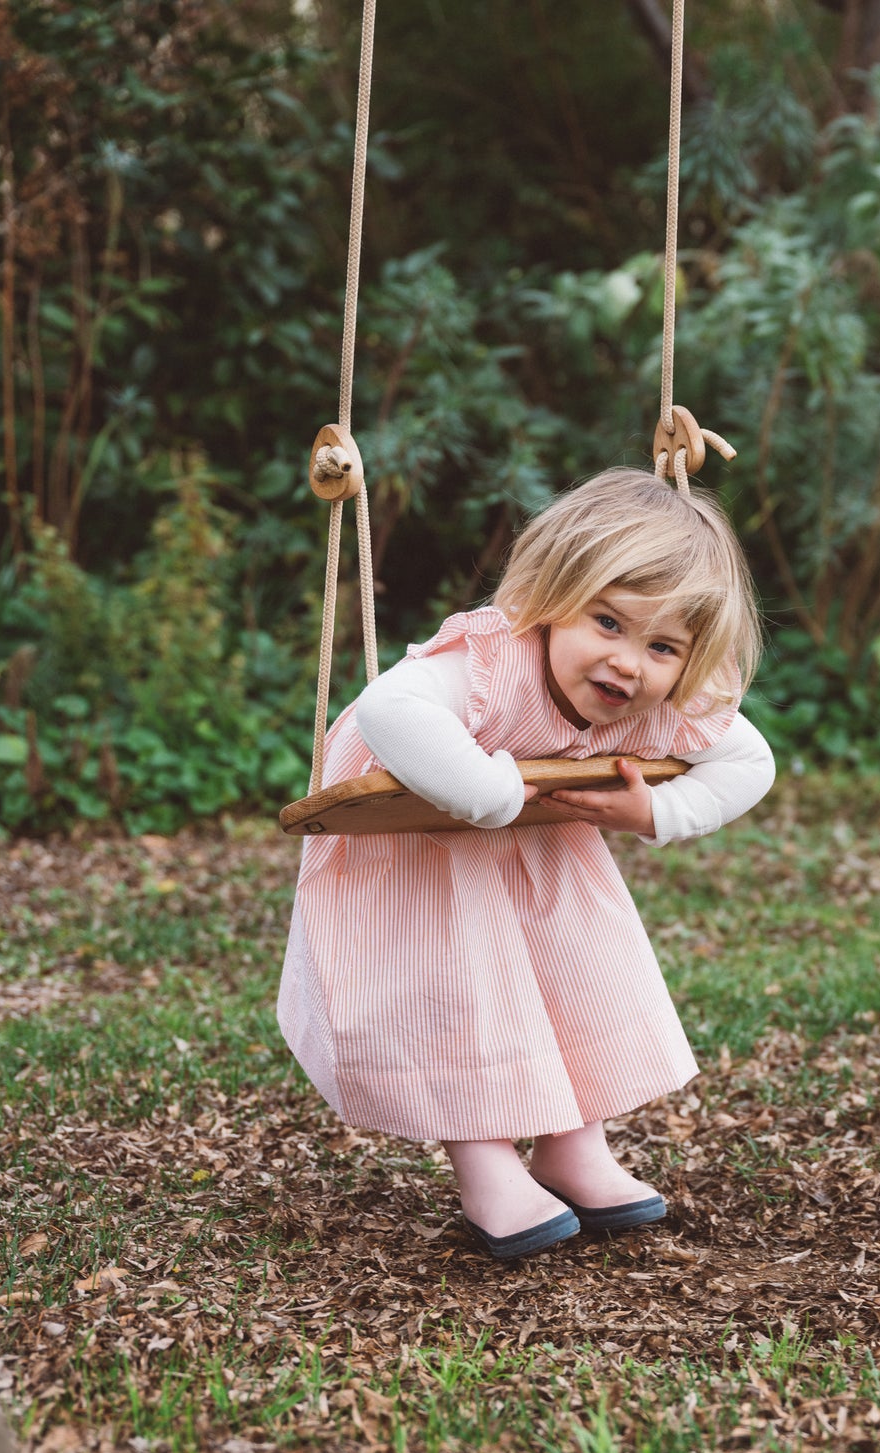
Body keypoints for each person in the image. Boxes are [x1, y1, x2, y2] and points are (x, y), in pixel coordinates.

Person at [278, 467, 775, 1258]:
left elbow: (751, 762)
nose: (627, 663)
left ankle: (573, 1148)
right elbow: (388, 706)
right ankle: (487, 1167)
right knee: (460, 985)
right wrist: (489, 792)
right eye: (607, 621)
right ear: (554, 593)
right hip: (417, 841)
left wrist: (658, 811)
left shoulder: (664, 699)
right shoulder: (491, 663)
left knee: (574, 965)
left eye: (661, 646)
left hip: (538, 837)